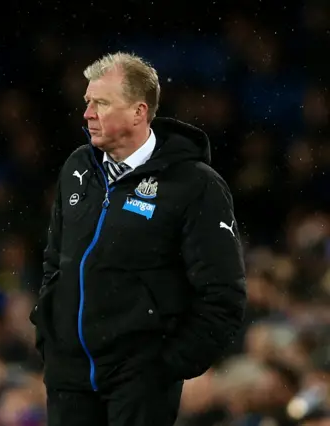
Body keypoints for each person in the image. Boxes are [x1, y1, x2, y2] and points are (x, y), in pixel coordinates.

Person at [30, 52, 247, 426]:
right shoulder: (77, 168)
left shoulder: (195, 185)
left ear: (138, 112)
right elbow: (55, 259)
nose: (87, 114)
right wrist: (51, 330)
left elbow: (222, 293)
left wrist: (166, 367)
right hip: (69, 374)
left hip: (140, 380)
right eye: (87, 102)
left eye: (100, 103)